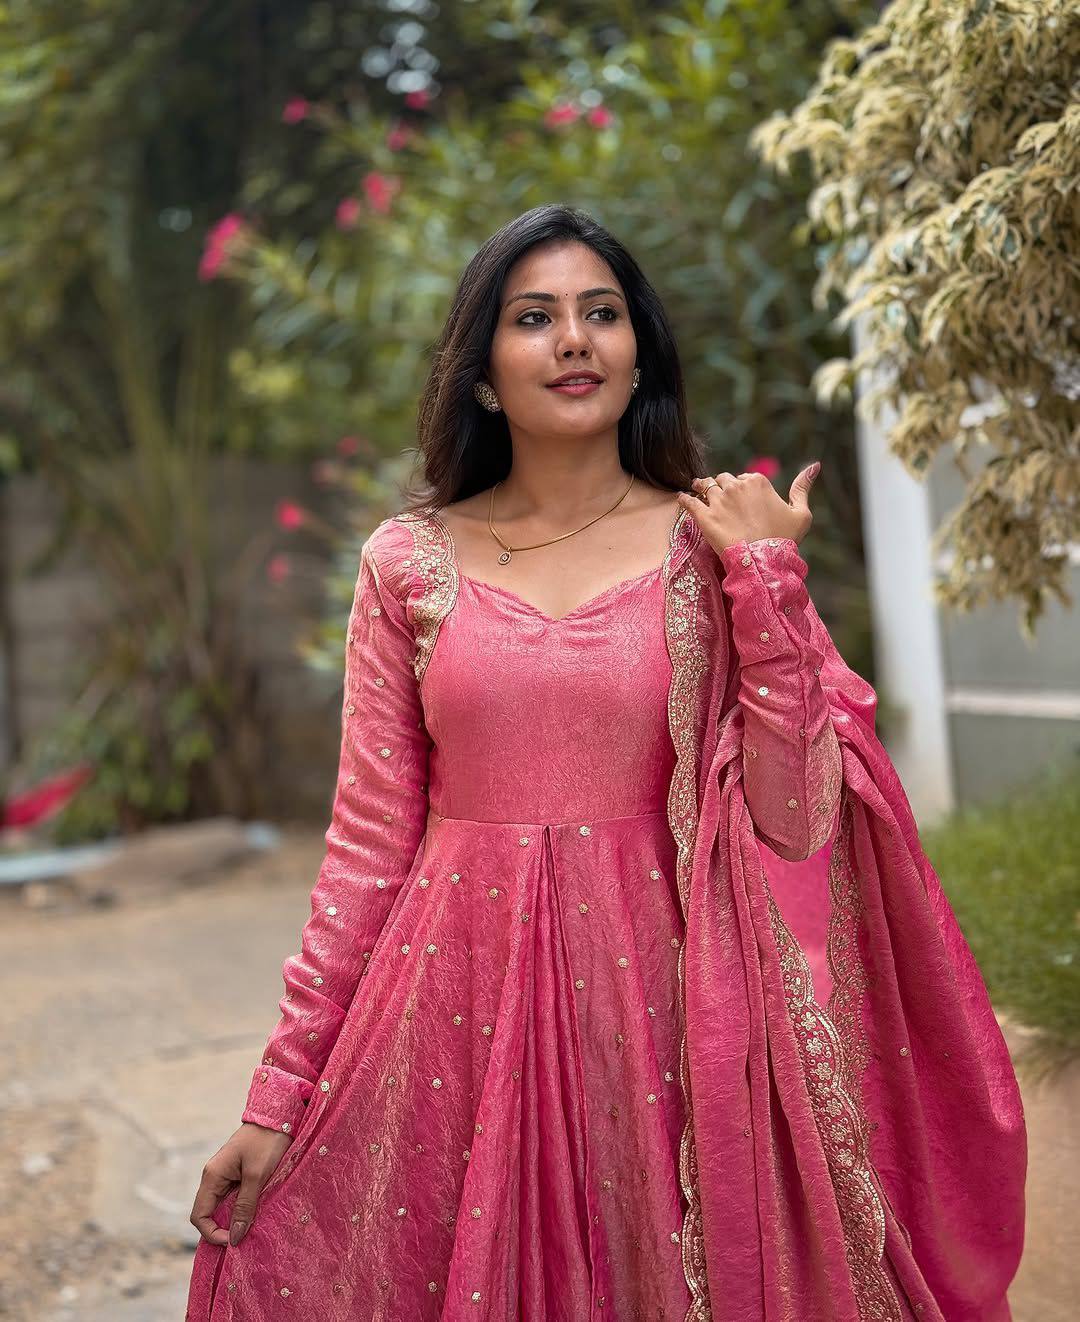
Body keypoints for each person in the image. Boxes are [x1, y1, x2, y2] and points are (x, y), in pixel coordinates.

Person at [186, 204, 1026, 1321]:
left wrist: (768, 583)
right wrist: (281, 1091)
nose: (574, 339)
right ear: (485, 372)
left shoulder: (714, 544)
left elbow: (796, 815)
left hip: (672, 998)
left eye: (602, 314)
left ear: (641, 358)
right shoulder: (408, 561)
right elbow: (365, 848)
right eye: (535, 318)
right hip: (455, 1002)